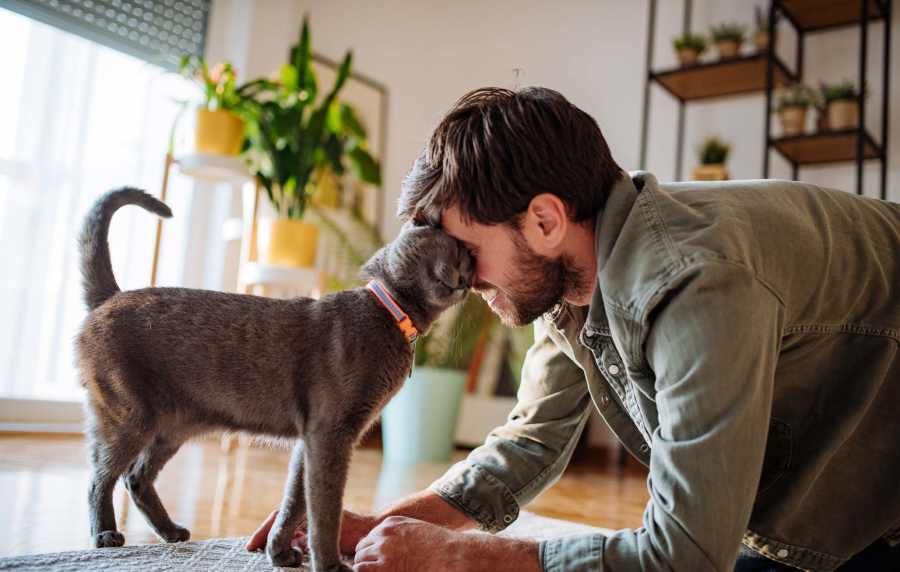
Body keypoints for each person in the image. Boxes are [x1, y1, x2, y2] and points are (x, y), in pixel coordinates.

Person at [247, 87, 900, 571]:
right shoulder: (573, 278)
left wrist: (461, 559)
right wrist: (376, 524)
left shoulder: (696, 285)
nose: (460, 279)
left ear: (545, 220)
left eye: (467, 251)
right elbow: (530, 443)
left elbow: (685, 558)